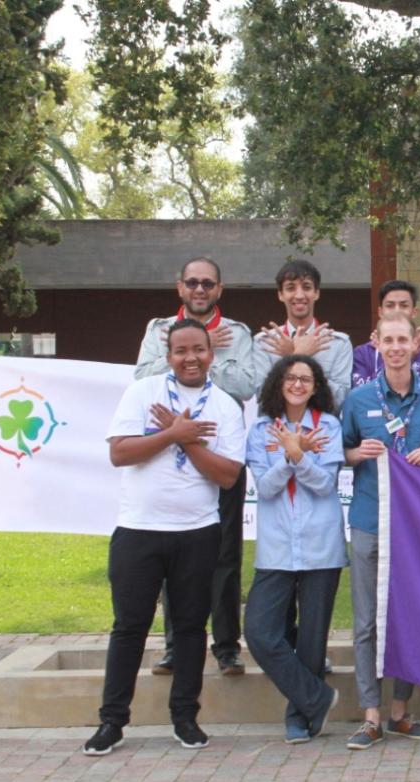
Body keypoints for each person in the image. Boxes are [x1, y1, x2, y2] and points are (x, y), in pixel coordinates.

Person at [84, 319, 245, 756]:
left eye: (199, 350)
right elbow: (119, 452)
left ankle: (185, 718)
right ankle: (112, 722)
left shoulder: (226, 406)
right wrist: (175, 433)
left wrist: (185, 441)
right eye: (181, 351)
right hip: (138, 529)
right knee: (129, 627)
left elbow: (228, 476)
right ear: (168, 354)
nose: (190, 358)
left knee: (192, 627)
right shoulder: (142, 392)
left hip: (197, 532)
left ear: (212, 353)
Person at [135, 256, 254, 676]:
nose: (200, 290)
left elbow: (245, 385)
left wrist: (210, 355)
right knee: (174, 551)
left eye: (208, 283)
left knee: (224, 552)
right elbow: (142, 377)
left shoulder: (237, 334)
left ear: (219, 289)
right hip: (170, 453)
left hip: (219, 451)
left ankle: (226, 647)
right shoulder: (157, 330)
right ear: (180, 287)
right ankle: (175, 646)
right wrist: (190, 349)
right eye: (192, 283)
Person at [340, 313, 420, 750]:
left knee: (408, 617)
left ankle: (402, 712)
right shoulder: (358, 398)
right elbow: (342, 453)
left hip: (416, 527)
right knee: (367, 621)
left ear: (414, 344)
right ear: (377, 344)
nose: (397, 347)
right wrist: (356, 452)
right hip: (369, 520)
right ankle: (370, 716)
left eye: (403, 339)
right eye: (389, 340)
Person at [243, 355, 346, 745]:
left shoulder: (330, 426)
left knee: (311, 639)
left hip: (322, 543)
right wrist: (292, 454)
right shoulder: (261, 430)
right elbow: (265, 488)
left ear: (316, 386)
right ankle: (317, 697)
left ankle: (300, 717)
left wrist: (297, 454)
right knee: (260, 632)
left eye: (306, 378)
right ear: (278, 383)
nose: (298, 384)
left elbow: (325, 484)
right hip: (277, 546)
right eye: (291, 377)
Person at [253, 260, 353, 410]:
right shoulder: (265, 342)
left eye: (306, 287)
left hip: (323, 429)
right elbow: (262, 398)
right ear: (281, 294)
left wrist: (298, 358)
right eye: (290, 288)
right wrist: (297, 356)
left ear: (317, 293)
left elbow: (340, 399)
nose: (299, 295)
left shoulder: (338, 343)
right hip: (276, 429)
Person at [352, 279, 420, 387]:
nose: (397, 310)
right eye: (390, 306)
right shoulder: (362, 353)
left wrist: (408, 355)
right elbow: (363, 395)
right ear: (380, 312)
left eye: (404, 306)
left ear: (414, 312)